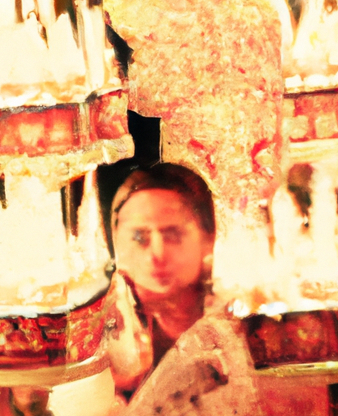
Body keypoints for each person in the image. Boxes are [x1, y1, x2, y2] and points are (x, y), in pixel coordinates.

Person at [105, 165, 258, 416]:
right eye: (139, 236)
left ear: (208, 238)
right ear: (115, 244)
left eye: (173, 234)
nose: (157, 254)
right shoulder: (94, 343)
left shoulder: (247, 334)